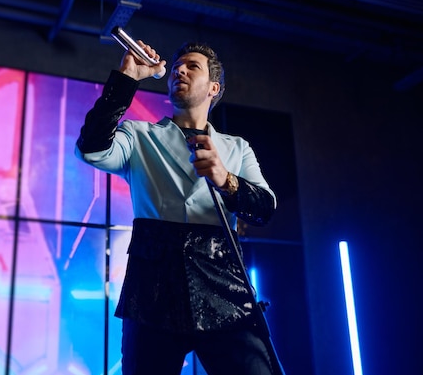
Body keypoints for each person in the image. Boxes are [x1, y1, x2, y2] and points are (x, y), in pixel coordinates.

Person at [74, 38, 280, 375]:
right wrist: (128, 77)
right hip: (152, 289)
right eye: (176, 66)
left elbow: (265, 209)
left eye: (192, 66)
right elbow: (91, 149)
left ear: (214, 87)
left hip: (223, 286)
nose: (179, 70)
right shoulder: (139, 135)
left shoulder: (236, 148)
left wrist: (225, 179)